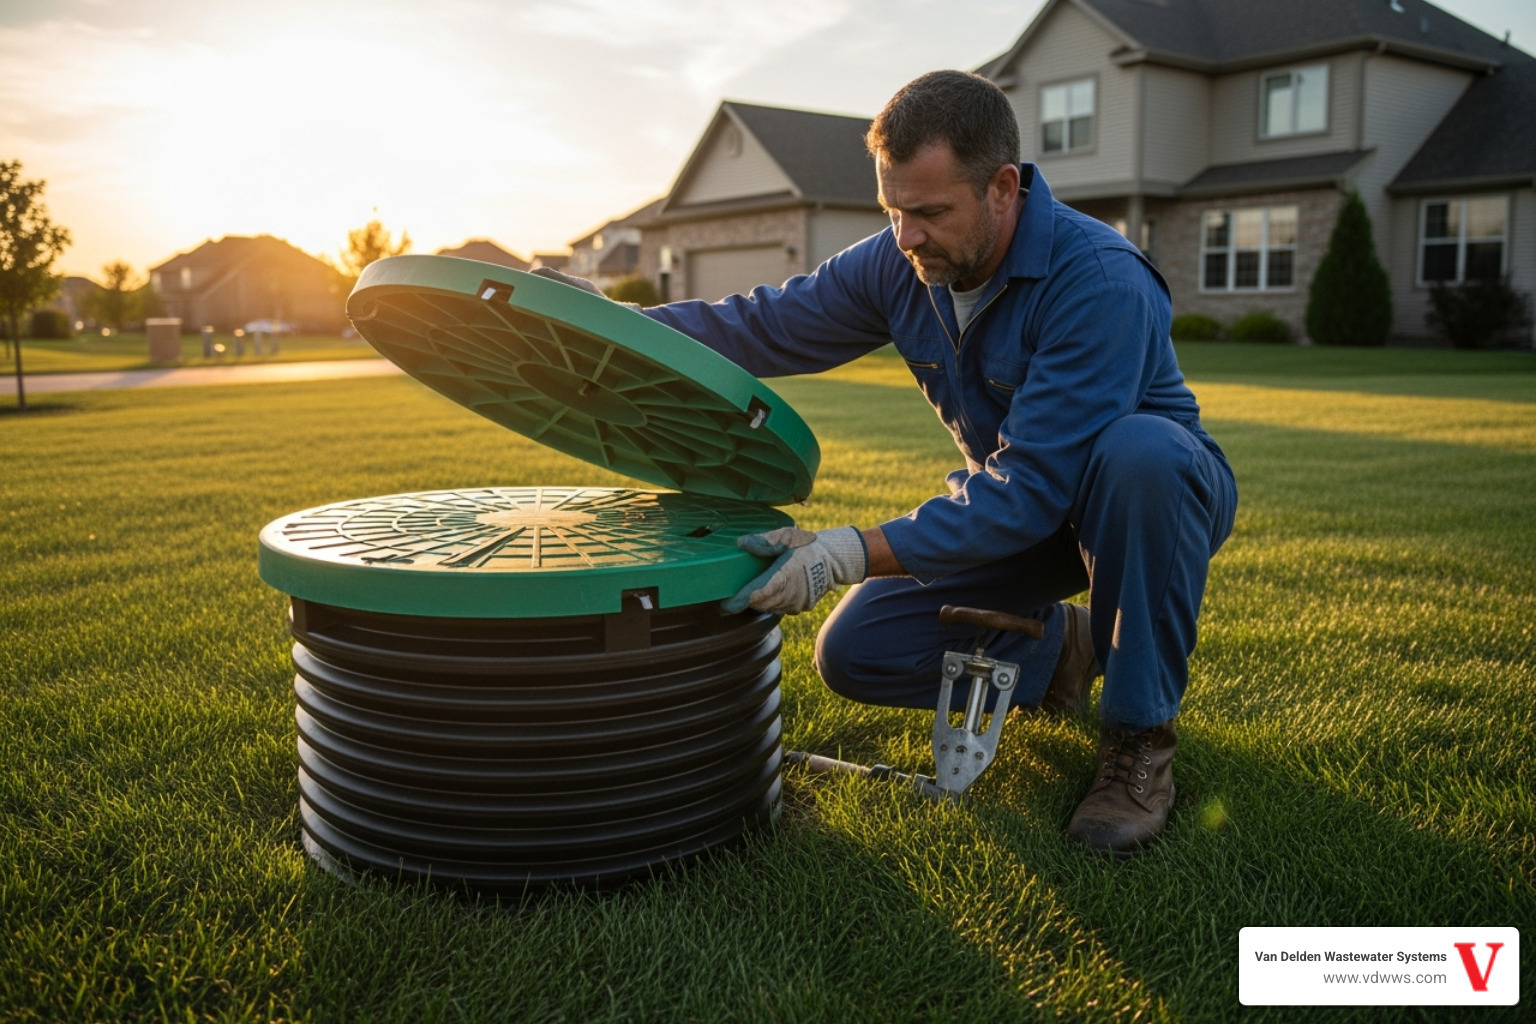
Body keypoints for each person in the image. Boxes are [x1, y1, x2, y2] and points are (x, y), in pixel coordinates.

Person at [538, 69, 1237, 857]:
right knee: (858, 648)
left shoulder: (1099, 281)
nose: (907, 236)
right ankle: (1064, 650)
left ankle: (1139, 744)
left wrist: (847, 551)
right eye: (894, 210)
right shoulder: (898, 262)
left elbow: (1035, 485)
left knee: (1137, 452)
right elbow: (760, 325)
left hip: (1147, 504)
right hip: (1019, 515)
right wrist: (613, 324)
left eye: (931, 212)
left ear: (1003, 187)